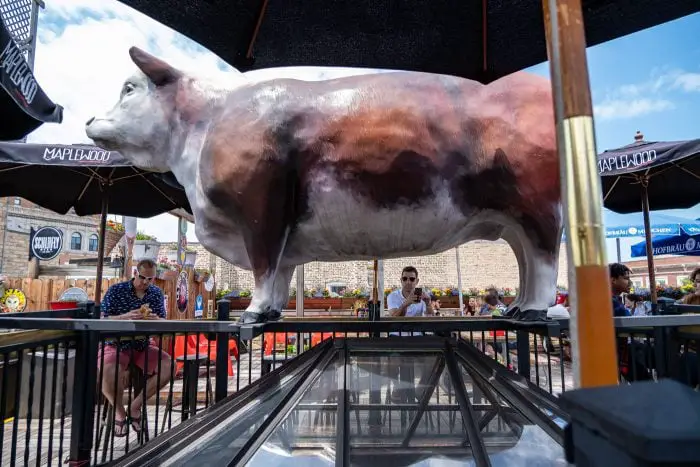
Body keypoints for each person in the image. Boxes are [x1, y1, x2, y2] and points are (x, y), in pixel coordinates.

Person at [99, 258, 172, 437]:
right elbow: (101, 318)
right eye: (142, 278)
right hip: (116, 344)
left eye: (150, 279)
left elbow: (164, 321)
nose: (146, 282)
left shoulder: (155, 294)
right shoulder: (116, 290)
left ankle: (135, 406)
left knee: (169, 365)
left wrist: (156, 320)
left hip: (142, 345)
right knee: (108, 371)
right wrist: (125, 317)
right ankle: (119, 412)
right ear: (135, 274)